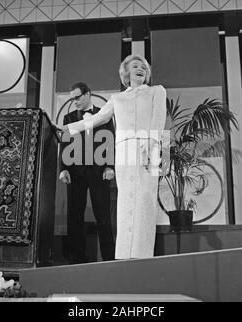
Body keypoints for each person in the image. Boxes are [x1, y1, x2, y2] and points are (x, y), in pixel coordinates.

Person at [57, 56, 168, 260]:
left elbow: (158, 120)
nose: (140, 68)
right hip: (124, 151)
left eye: (143, 66)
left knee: (146, 201)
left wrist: (153, 144)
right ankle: (124, 256)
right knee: (126, 202)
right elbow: (98, 119)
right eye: (135, 66)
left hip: (149, 149)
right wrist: (66, 128)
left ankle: (143, 256)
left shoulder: (157, 91)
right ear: (125, 73)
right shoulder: (117, 98)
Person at [59, 82, 115, 264]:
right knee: (74, 216)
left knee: (103, 215)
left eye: (77, 97)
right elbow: (65, 143)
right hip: (75, 172)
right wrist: (63, 169)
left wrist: (110, 167)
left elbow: (110, 141)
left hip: (99, 171)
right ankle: (77, 260)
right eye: (72, 98)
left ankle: (108, 259)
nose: (74, 101)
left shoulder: (103, 114)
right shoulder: (68, 118)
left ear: (88, 94)